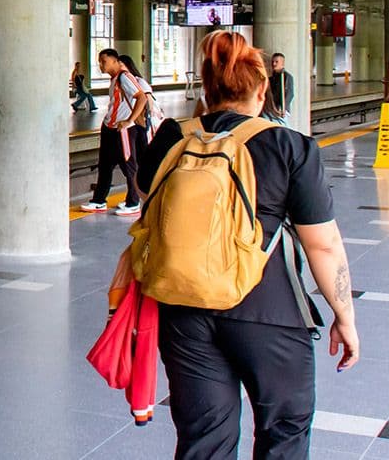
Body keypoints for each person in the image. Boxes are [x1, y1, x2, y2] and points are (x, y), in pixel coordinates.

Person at [138, 31, 359, 460]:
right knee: (283, 432)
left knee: (204, 439)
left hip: (183, 309)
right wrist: (344, 316)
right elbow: (323, 246)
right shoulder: (290, 146)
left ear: (206, 87)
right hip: (268, 312)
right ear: (262, 90)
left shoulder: (171, 136)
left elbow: (152, 202)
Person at [79, 49, 152, 217]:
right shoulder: (114, 79)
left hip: (123, 130)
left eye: (104, 61)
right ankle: (99, 200)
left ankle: (133, 202)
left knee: (129, 166)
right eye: (99, 61)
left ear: (114, 61)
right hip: (110, 128)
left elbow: (141, 97)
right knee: (105, 165)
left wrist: (129, 121)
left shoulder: (124, 77)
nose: (101, 65)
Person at [262, 53, 295, 128]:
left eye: (276, 62)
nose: (274, 64)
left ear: (282, 63)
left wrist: (283, 108)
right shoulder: (270, 79)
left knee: (282, 128)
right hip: (270, 109)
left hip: (280, 110)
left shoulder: (287, 77)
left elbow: (290, 94)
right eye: (273, 62)